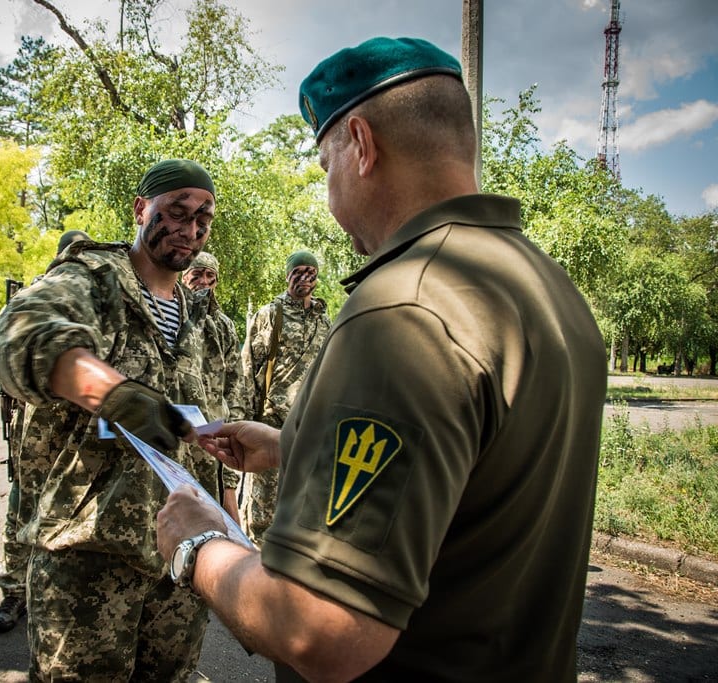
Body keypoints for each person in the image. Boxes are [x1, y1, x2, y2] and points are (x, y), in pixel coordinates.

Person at [156, 36, 607, 682]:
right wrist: (294, 444)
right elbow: (472, 462)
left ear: (361, 145)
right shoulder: (546, 287)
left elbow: (321, 628)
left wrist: (198, 543)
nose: (330, 198)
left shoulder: (403, 310)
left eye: (324, 166)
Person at [0, 159, 233, 681]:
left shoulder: (201, 318)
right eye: (176, 211)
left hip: (183, 557)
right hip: (90, 555)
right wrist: (114, 396)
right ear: (141, 209)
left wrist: (226, 508)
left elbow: (214, 418)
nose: (189, 228)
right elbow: (21, 331)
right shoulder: (96, 281)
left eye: (203, 218)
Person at [0, 228, 91, 635]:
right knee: (22, 508)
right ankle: (13, 592)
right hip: (34, 428)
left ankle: (59, 597)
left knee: (70, 513)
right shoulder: (36, 295)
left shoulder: (98, 300)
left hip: (74, 429)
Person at [235, 249, 330, 543]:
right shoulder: (270, 314)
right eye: (297, 271)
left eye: (310, 272)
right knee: (263, 513)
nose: (304, 278)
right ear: (287, 275)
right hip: (272, 424)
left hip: (310, 429)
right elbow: (248, 368)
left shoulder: (324, 321)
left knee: (305, 505)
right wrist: (244, 421)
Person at [181, 251, 250, 522]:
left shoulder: (225, 326)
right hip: (176, 438)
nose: (204, 281)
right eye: (196, 274)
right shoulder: (172, 315)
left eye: (210, 276)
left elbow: (235, 391)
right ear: (184, 277)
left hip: (213, 441)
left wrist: (230, 477)